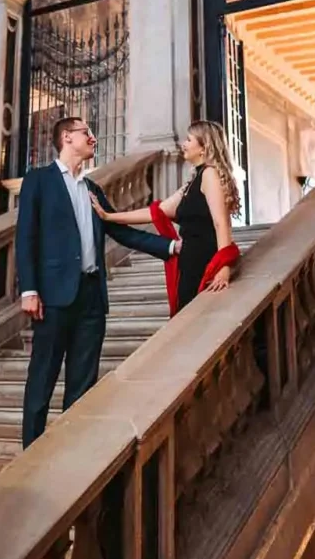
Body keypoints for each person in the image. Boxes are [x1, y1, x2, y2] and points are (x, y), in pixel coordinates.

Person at [16, 116, 181, 447]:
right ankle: (30, 457)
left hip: (91, 297)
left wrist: (169, 246)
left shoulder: (92, 189)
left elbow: (118, 230)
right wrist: (29, 289)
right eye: (86, 132)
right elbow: (26, 237)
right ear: (66, 138)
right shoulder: (39, 181)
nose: (93, 138)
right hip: (52, 297)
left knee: (82, 385)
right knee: (41, 381)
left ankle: (68, 454)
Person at [93, 122, 241, 316]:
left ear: (204, 147)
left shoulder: (209, 174)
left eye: (189, 139)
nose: (183, 144)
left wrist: (224, 267)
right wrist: (109, 216)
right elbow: (157, 212)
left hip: (204, 260)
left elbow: (221, 223)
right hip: (189, 260)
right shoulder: (193, 181)